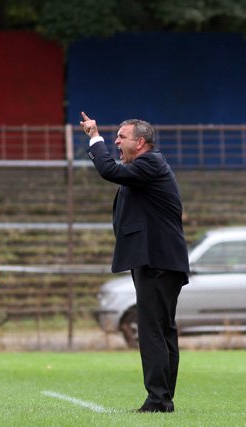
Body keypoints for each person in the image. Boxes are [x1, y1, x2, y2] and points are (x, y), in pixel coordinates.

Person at [80, 112, 189, 413]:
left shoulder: (150, 163)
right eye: (114, 137)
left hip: (157, 260)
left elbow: (108, 170)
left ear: (140, 142)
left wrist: (94, 137)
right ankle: (163, 398)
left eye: (121, 137)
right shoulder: (146, 167)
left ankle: (158, 400)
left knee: (153, 329)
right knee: (162, 329)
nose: (115, 141)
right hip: (160, 260)